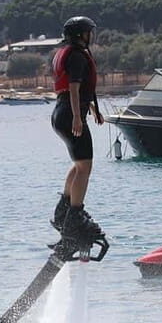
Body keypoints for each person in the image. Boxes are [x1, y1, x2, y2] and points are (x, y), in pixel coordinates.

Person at [50, 16, 105, 242]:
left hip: (60, 113)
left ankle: (63, 211)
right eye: (89, 32)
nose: (91, 35)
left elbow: (79, 90)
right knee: (85, 167)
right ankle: (75, 216)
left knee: (79, 165)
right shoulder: (77, 56)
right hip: (69, 114)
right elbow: (73, 88)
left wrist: (92, 108)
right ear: (81, 34)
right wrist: (77, 118)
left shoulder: (69, 53)